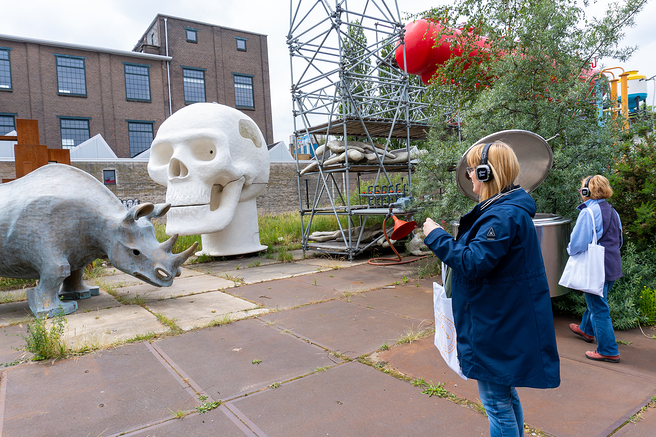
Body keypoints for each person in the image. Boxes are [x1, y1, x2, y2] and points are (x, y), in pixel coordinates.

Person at [423, 141, 560, 437]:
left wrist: (436, 236)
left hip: (495, 324)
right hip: (501, 318)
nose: (470, 175)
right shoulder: (505, 209)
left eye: (472, 170)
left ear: (486, 173)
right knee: (504, 396)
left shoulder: (502, 215)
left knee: (497, 404)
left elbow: (473, 262)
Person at [567, 175, 623, 363]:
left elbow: (577, 243)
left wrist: (570, 251)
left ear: (587, 191)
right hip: (612, 266)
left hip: (596, 268)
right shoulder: (613, 212)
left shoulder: (588, 213)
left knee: (598, 308)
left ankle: (608, 350)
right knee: (597, 299)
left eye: (581, 188)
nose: (580, 192)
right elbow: (620, 240)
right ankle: (586, 329)